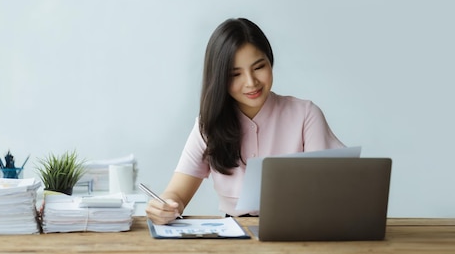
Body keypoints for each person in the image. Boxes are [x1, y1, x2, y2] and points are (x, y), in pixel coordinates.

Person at [145, 18, 345, 224]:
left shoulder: (305, 114)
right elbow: (176, 194)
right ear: (220, 78)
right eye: (235, 74)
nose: (251, 82)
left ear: (270, 62)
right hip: (235, 232)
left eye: (258, 67)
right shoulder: (209, 125)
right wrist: (165, 207)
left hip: (296, 227)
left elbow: (329, 189)